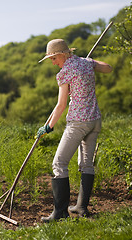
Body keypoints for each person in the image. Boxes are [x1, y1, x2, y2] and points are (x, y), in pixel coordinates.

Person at [37, 39, 112, 223]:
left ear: (63, 54)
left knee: (59, 163)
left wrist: (48, 126)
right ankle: (81, 207)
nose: (53, 62)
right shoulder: (85, 63)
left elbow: (61, 105)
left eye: (54, 58)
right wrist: (90, 64)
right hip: (95, 120)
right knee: (86, 165)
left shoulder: (65, 73)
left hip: (78, 122)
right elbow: (108, 68)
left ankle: (60, 213)